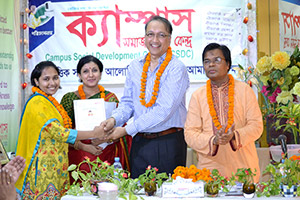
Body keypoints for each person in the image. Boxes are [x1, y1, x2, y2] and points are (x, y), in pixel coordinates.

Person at [102, 15, 190, 178]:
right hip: (140, 143)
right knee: (139, 192)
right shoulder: (135, 66)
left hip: (168, 142)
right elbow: (128, 102)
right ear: (144, 38)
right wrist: (113, 120)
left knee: (168, 194)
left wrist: (125, 130)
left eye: (161, 35)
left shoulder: (177, 68)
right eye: (150, 34)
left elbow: (164, 110)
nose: (155, 39)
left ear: (170, 39)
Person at [15, 61, 107, 199]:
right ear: (36, 81)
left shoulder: (49, 101)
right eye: (46, 79)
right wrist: (95, 133)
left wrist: (88, 145)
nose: (52, 83)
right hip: (42, 171)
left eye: (55, 77)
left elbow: (60, 135)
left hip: (57, 167)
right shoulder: (37, 103)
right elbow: (61, 133)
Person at [184, 43, 263, 182]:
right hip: (209, 170)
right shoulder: (197, 95)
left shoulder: (245, 90)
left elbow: (256, 126)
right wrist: (213, 140)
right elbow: (190, 133)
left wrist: (234, 136)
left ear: (228, 64)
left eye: (217, 60)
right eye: (207, 61)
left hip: (243, 167)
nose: (211, 65)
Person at [60, 55, 132, 178]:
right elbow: (64, 131)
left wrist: (106, 139)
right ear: (79, 75)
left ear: (100, 73)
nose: (91, 75)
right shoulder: (69, 99)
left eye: (94, 70)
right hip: (79, 155)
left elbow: (120, 130)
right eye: (85, 71)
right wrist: (84, 146)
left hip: (106, 154)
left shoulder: (110, 97)